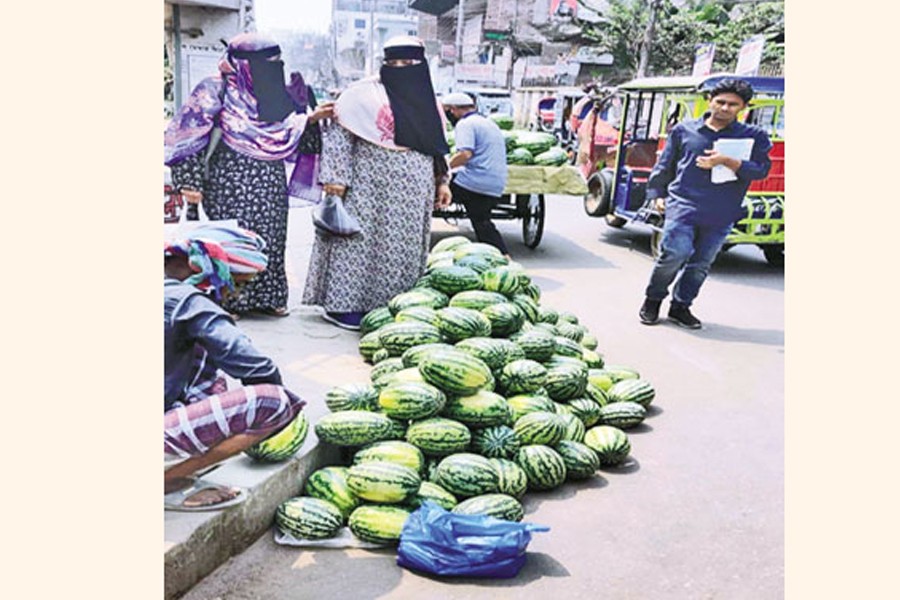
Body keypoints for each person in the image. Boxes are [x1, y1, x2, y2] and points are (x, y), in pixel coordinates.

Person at [165, 32, 334, 319]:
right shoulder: (215, 90)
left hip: (269, 180)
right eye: (267, 62)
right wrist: (190, 182)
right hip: (226, 179)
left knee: (271, 237)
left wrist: (310, 118)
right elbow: (187, 136)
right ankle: (227, 301)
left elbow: (292, 130)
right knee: (230, 239)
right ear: (244, 63)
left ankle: (268, 297)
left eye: (276, 61)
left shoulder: (277, 90)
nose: (274, 67)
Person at [302, 36, 452, 331]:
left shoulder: (429, 102)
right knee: (357, 246)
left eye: (408, 64)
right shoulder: (360, 96)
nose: (400, 69)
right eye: (393, 63)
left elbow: (437, 145)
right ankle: (345, 307)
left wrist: (442, 182)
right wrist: (335, 185)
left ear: (421, 66)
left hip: (413, 195)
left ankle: (394, 308)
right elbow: (338, 139)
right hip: (367, 191)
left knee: (403, 251)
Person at [164, 224, 305, 511]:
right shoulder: (188, 301)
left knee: (206, 363)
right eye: (238, 283)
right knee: (276, 402)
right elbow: (255, 367)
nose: (236, 294)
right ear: (211, 267)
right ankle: (167, 480)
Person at [639, 78, 772, 329]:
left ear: (743, 107)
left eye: (732, 104)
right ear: (709, 101)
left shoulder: (753, 137)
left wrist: (728, 161)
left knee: (701, 263)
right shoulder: (684, 130)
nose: (724, 108)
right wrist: (657, 195)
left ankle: (681, 307)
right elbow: (665, 164)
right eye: (720, 101)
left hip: (722, 210)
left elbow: (762, 170)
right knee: (674, 254)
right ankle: (653, 299)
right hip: (683, 204)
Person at [441, 92, 510, 257]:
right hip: (495, 182)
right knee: (482, 222)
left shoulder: (465, 124)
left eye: (447, 112)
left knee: (435, 188)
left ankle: (504, 258)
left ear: (453, 110)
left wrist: (443, 168)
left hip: (475, 182)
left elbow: (465, 154)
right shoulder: (488, 123)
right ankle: (502, 256)